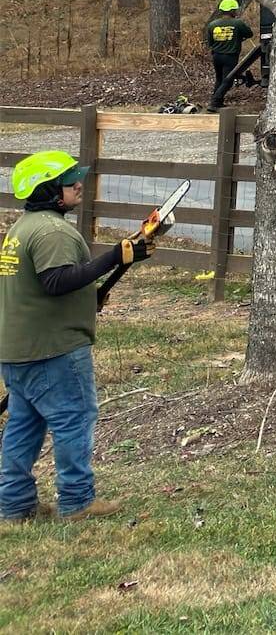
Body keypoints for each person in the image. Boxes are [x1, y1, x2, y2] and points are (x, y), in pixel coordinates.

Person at [2, 149, 165, 521]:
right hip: (53, 348)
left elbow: (38, 287)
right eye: (69, 179)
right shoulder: (52, 231)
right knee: (74, 417)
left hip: (18, 348)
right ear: (49, 190)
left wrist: (92, 295)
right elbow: (56, 281)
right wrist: (112, 257)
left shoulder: (22, 229)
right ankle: (77, 502)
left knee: (25, 424)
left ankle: (14, 505)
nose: (79, 183)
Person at [203, 0, 259, 110]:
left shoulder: (212, 25)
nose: (236, 11)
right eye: (235, 9)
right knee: (228, 81)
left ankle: (217, 102)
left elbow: (210, 42)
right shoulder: (237, 23)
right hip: (230, 56)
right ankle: (214, 102)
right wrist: (238, 38)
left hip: (216, 56)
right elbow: (249, 34)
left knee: (219, 79)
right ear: (232, 11)